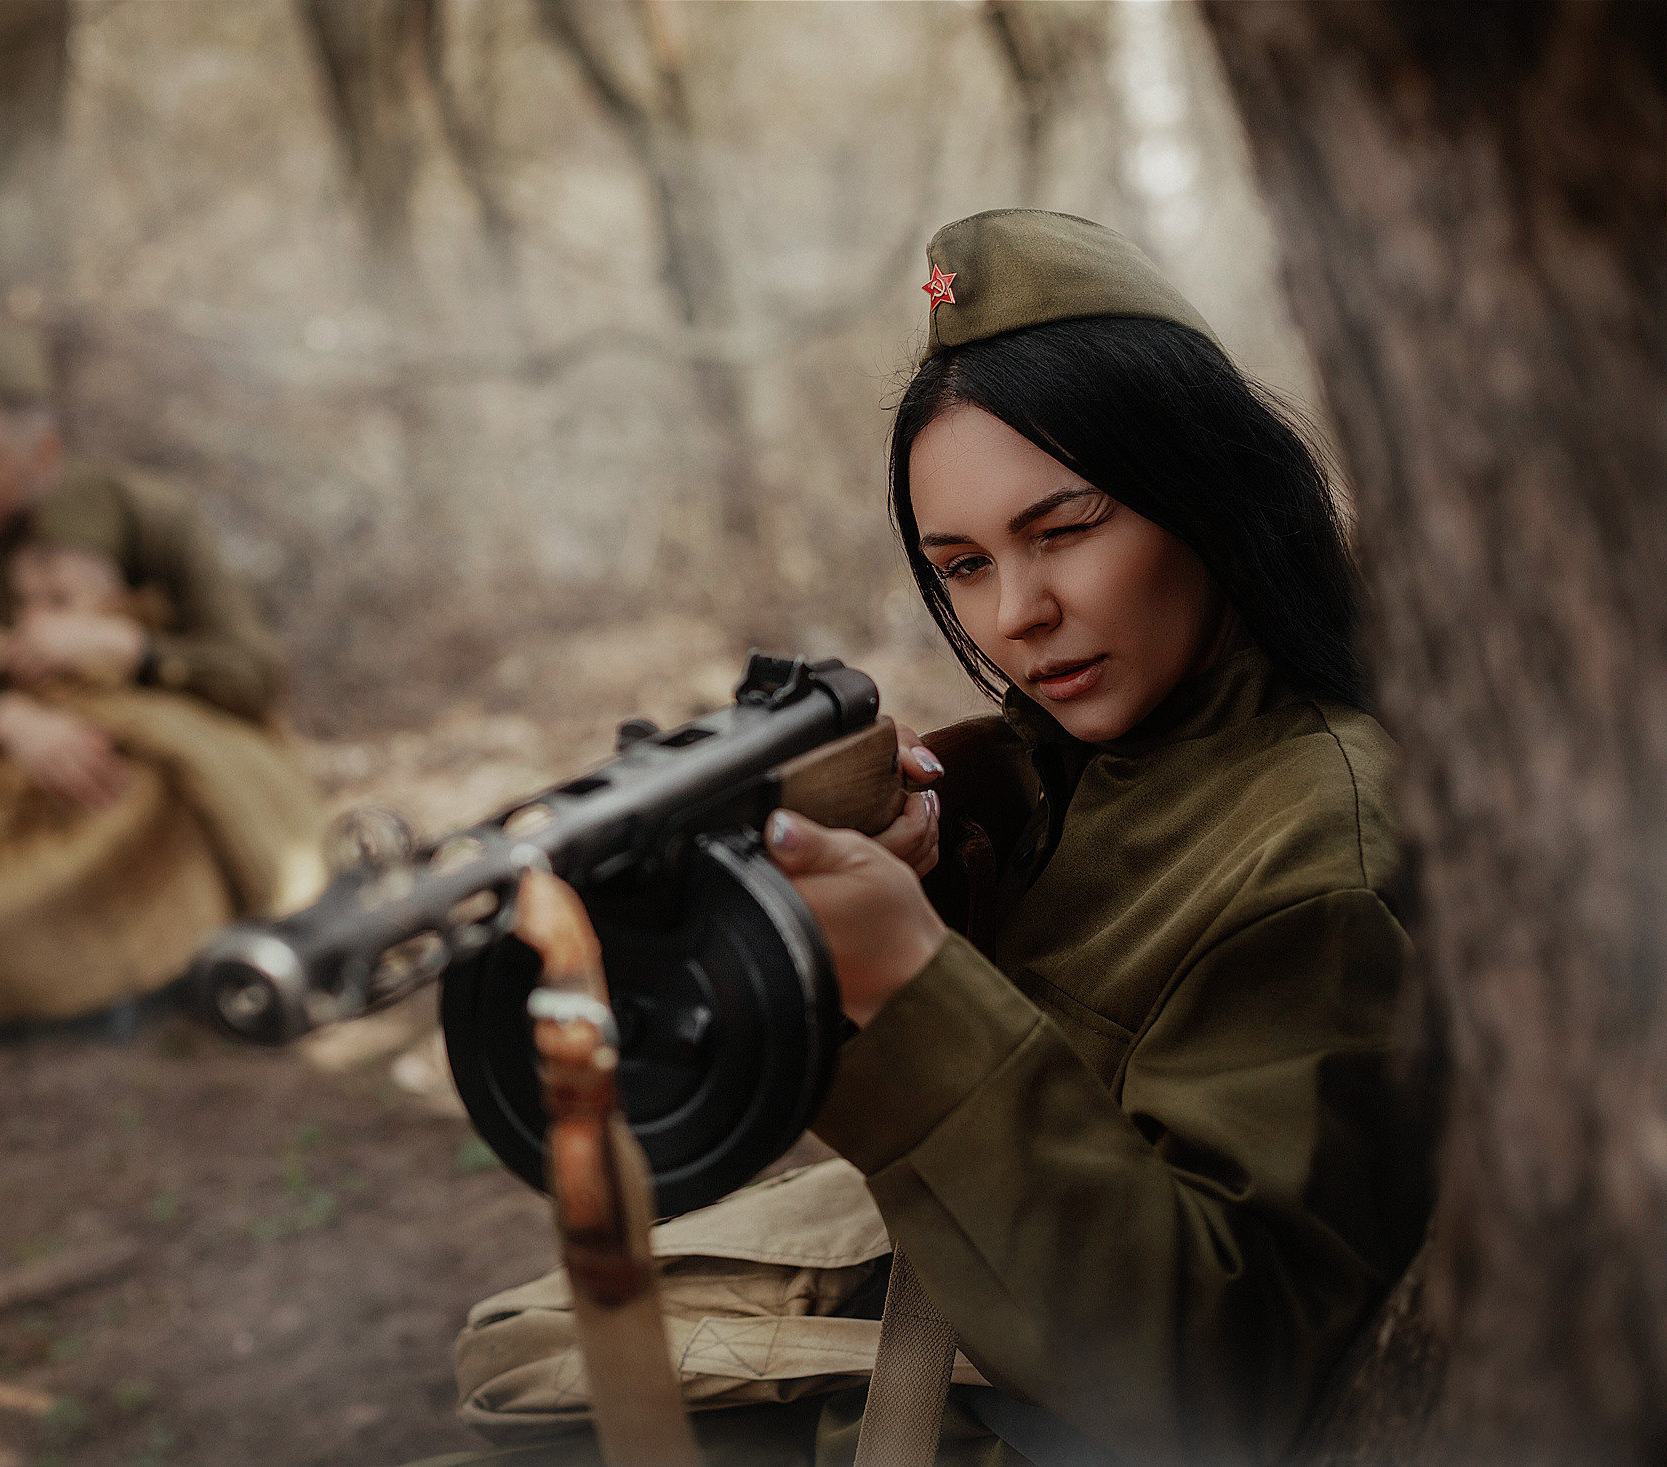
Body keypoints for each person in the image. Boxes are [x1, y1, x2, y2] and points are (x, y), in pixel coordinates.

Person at [439, 212, 1427, 1466]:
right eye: (960, 563)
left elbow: (1215, 1368)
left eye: (1065, 529)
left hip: (1032, 1411)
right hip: (964, 1325)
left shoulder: (1319, 846)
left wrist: (909, 981)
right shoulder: (1074, 766)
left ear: (1213, 498)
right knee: (513, 1363)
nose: (1018, 614)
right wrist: (920, 880)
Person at [0, 320, 326, 1029]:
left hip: (127, 761)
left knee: (162, 777)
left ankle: (155, 969)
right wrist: (11, 720)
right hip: (14, 765)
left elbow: (253, 673)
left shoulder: (158, 518)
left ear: (41, 454)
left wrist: (132, 648)